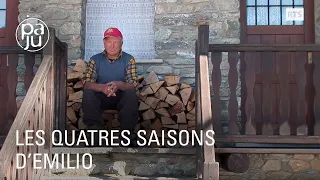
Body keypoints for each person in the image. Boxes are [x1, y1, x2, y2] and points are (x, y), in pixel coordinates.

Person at [81, 27, 139, 146]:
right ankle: (94, 135)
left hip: (120, 98)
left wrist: (118, 84)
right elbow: (87, 83)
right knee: (88, 93)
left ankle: (127, 136)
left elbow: (132, 84)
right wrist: (103, 88)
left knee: (131, 94)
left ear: (121, 43)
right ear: (104, 43)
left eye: (115, 42)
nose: (112, 45)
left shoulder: (129, 59)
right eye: (109, 42)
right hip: (101, 99)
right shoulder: (95, 60)